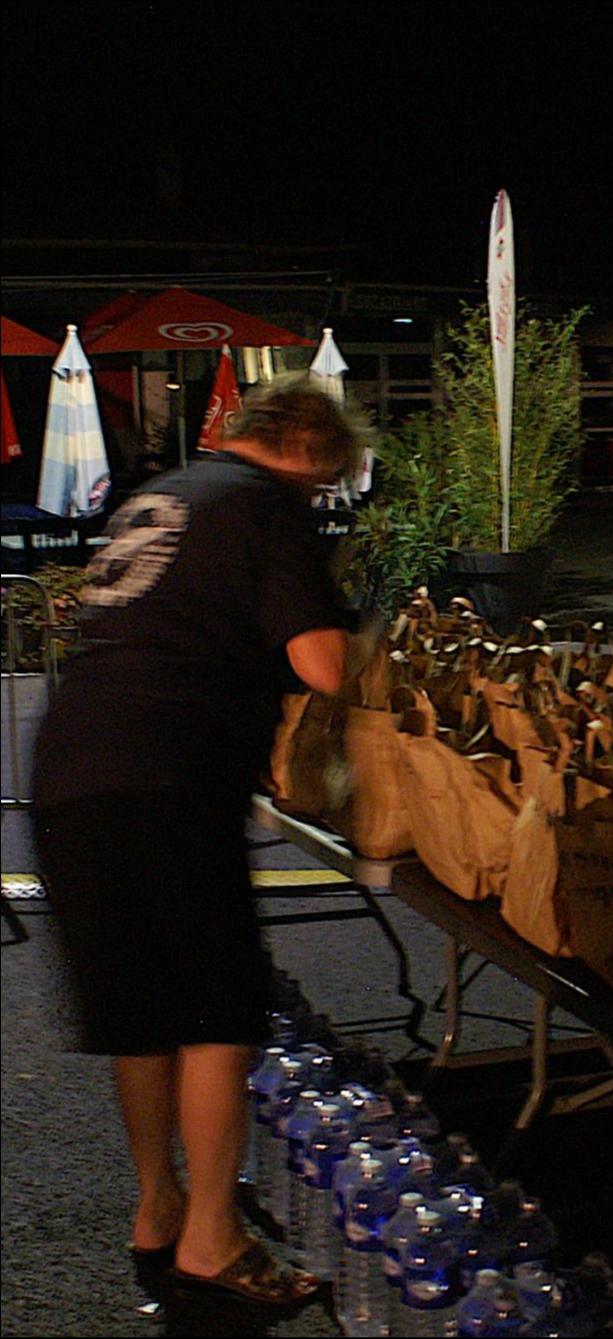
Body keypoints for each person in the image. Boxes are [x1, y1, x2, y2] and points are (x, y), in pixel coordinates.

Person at [30, 374, 371, 1310]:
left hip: (69, 766)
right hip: (169, 775)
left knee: (138, 1013)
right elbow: (322, 663)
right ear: (307, 448)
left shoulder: (167, 491)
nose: (320, 497)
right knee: (217, 1013)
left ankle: (160, 1208)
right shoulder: (267, 506)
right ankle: (214, 1244)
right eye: (325, 481)